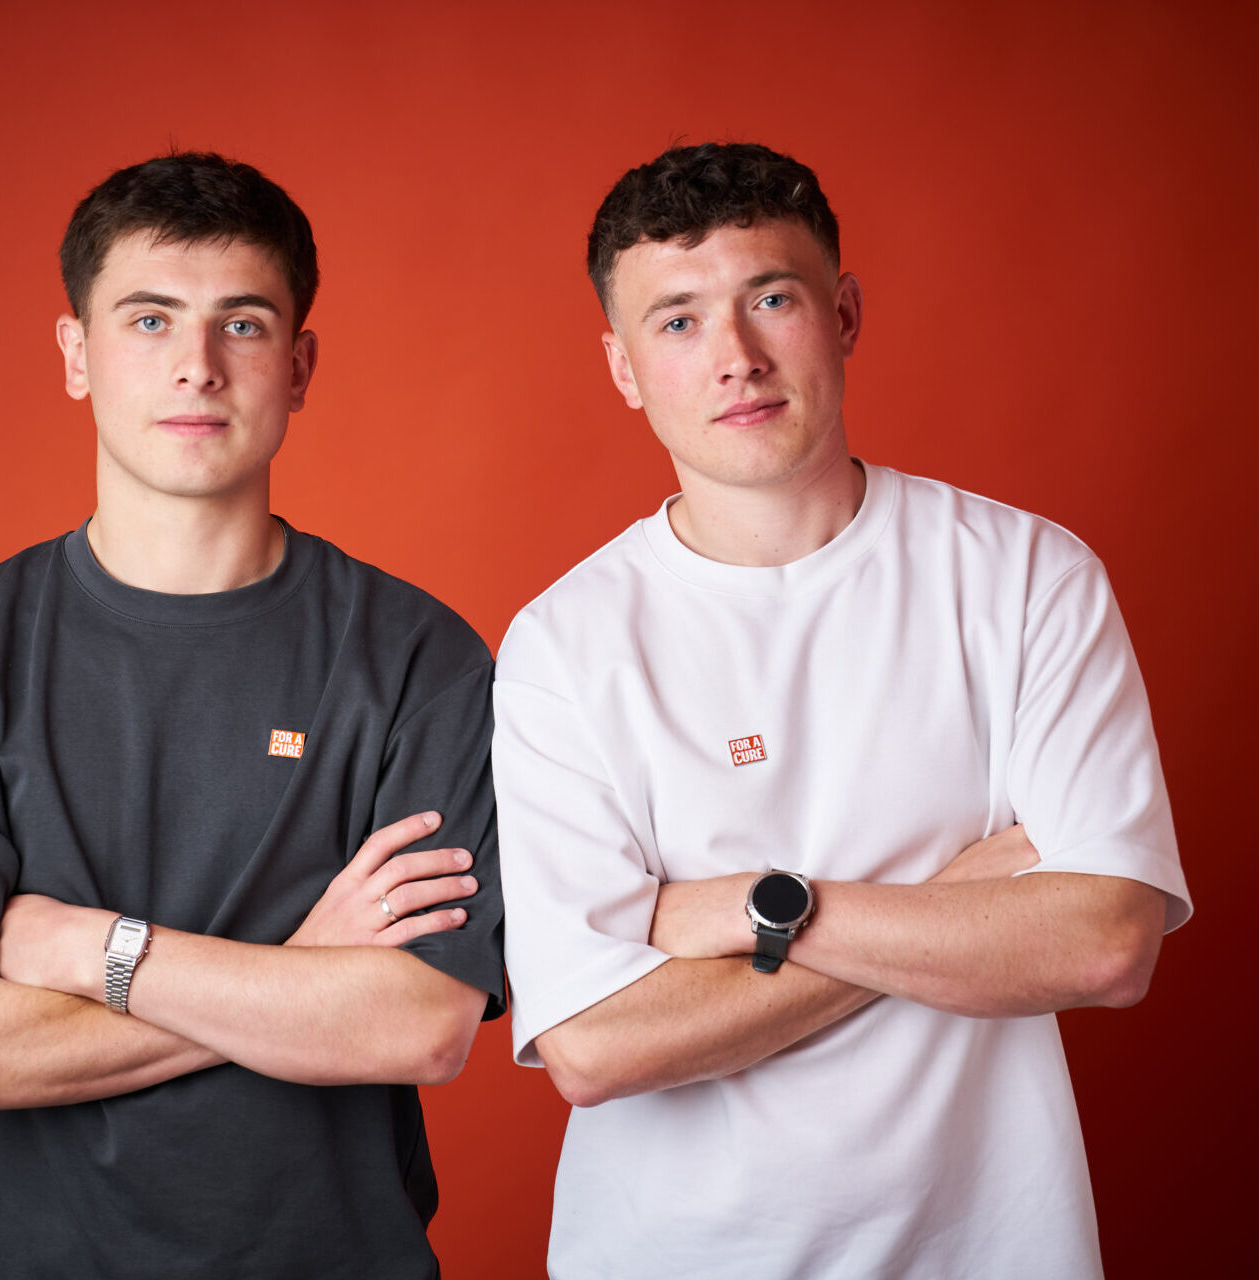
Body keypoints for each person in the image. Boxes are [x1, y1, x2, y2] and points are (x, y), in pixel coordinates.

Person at [492, 142, 1190, 1279]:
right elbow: (594, 1043)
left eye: (771, 297)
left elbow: (1106, 940)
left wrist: (761, 910)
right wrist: (949, 904)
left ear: (845, 312)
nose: (736, 358)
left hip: (990, 1247)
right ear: (622, 367)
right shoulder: (565, 645)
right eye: (676, 322)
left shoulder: (1023, 575)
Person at [0, 152, 504, 1279]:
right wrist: (297, 971)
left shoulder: (418, 656)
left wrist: (89, 949)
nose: (197, 367)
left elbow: (418, 1027)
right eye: (149, 320)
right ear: (76, 355)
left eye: (242, 326)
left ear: (299, 366)